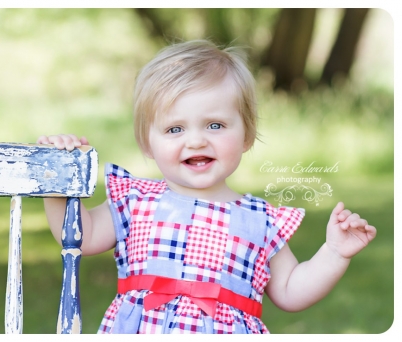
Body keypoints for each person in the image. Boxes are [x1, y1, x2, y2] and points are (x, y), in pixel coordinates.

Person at [37, 40, 376, 334]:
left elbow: (290, 291)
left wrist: (334, 253)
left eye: (215, 125)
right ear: (147, 144)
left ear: (245, 135)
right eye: (175, 129)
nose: (196, 141)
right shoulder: (136, 202)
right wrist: (56, 180)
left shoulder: (260, 220)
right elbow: (81, 233)